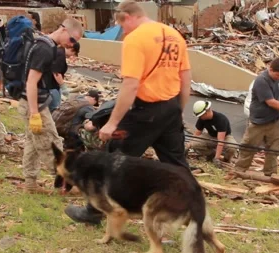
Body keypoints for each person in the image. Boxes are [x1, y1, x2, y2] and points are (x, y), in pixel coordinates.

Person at [64, 0, 192, 224]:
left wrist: (112, 123)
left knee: (114, 160)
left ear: (127, 17)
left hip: (146, 111)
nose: (122, 31)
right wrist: (177, 111)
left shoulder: (135, 39)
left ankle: (92, 213)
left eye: (121, 26)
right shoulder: (173, 35)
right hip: (171, 108)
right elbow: (185, 79)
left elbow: (130, 86)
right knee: (177, 165)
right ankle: (194, 211)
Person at [18, 18, 84, 194]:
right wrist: (34, 113)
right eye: (72, 40)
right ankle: (66, 185)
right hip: (35, 104)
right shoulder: (45, 48)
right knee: (51, 143)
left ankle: (30, 184)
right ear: (63, 30)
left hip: (32, 101)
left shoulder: (41, 42)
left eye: (75, 42)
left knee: (32, 143)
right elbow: (32, 82)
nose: (72, 44)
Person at [233, 58, 279, 176]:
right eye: (277, 75)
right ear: (270, 69)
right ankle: (238, 171)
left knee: (274, 150)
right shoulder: (261, 81)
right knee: (248, 147)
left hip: (274, 121)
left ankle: (270, 173)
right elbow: (271, 102)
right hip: (258, 122)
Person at [186, 100, 238, 166]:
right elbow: (197, 134)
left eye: (201, 115)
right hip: (210, 136)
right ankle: (211, 154)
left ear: (207, 112)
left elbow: (220, 141)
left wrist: (217, 158)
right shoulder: (202, 119)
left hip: (225, 137)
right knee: (194, 144)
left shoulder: (221, 119)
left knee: (232, 147)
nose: (200, 117)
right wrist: (189, 145)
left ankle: (226, 159)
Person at [48, 42, 80, 112]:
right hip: (51, 85)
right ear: (72, 49)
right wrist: (63, 86)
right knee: (54, 107)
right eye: (74, 53)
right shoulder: (60, 54)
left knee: (56, 105)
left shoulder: (60, 52)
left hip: (54, 85)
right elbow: (56, 73)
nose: (72, 55)